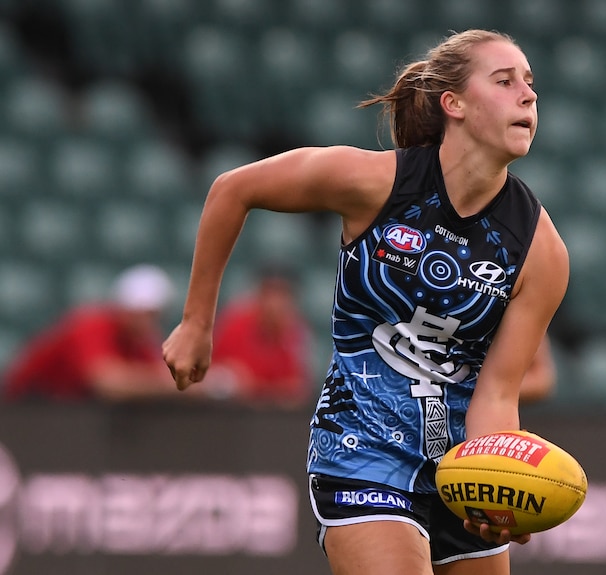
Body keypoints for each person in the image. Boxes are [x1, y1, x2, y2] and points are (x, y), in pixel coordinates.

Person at [162, 29, 569, 575]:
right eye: (504, 81)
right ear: (454, 105)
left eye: (531, 84)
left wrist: (492, 483)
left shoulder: (540, 250)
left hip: (456, 467)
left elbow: (496, 392)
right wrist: (196, 321)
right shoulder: (376, 181)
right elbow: (233, 189)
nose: (528, 94)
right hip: (362, 451)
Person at [3, 264, 181, 402]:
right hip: (21, 409)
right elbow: (107, 383)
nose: (148, 322)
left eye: (155, 316)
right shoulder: (91, 324)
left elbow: (156, 374)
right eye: (143, 314)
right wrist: (174, 387)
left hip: (61, 415)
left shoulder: (140, 344)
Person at [206, 264, 315, 408]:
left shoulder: (296, 332)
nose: (275, 302)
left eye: (283, 294)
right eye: (270, 292)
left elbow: (299, 390)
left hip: (272, 417)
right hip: (228, 412)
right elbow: (210, 373)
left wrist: (256, 386)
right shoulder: (235, 321)